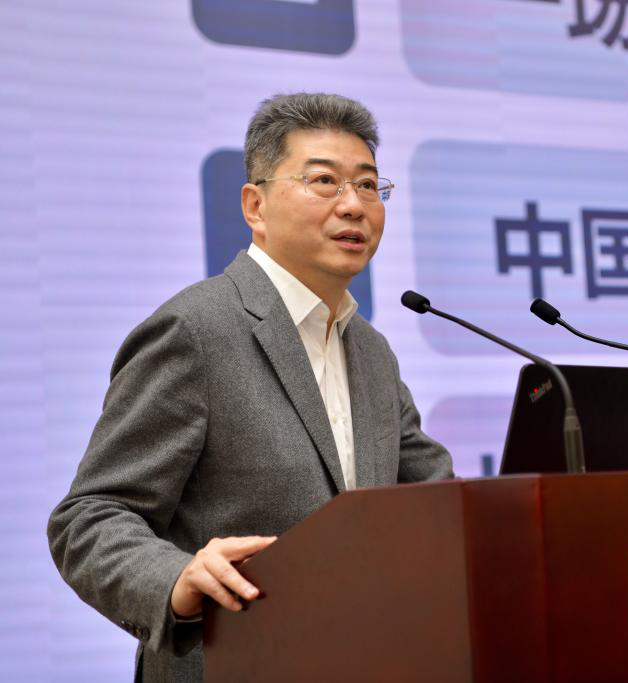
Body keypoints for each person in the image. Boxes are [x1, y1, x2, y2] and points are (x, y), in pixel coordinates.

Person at [47, 93, 453, 682]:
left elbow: (435, 501)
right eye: (324, 181)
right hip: (228, 664)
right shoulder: (195, 330)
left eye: (368, 185)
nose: (354, 205)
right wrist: (176, 579)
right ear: (255, 206)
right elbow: (89, 518)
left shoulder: (370, 350)